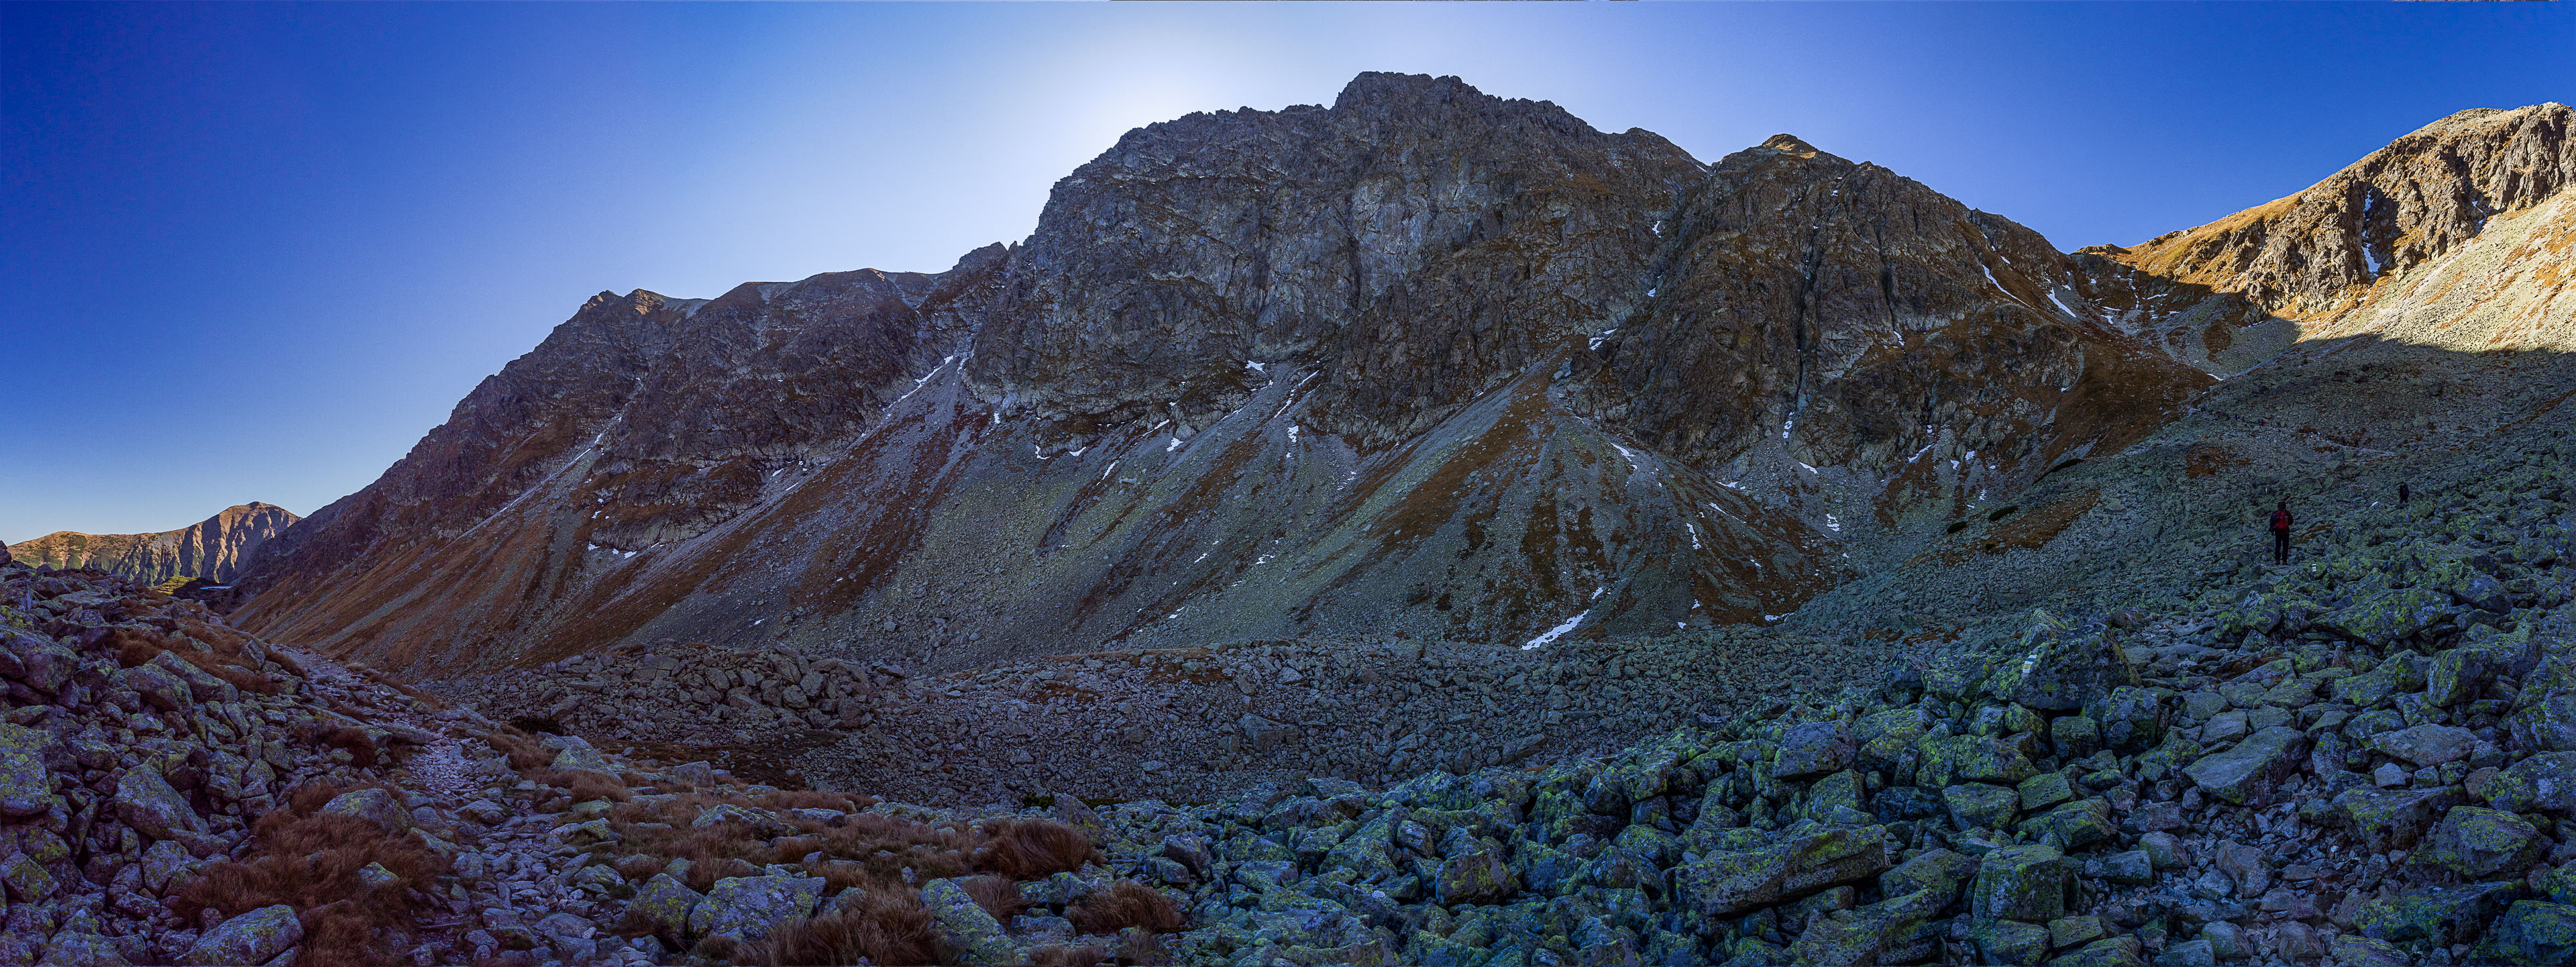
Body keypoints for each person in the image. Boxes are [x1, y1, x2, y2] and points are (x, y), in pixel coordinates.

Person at [2268, 500, 2293, 564]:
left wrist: (2273, 530)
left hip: (2278, 532)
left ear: (2278, 506)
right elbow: (2292, 521)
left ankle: (2277, 560)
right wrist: (2286, 524)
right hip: (2286, 532)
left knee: (2277, 546)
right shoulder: (2287, 513)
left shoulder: (2275, 513)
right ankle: (2284, 561)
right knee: (2285, 546)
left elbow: (2271, 522)